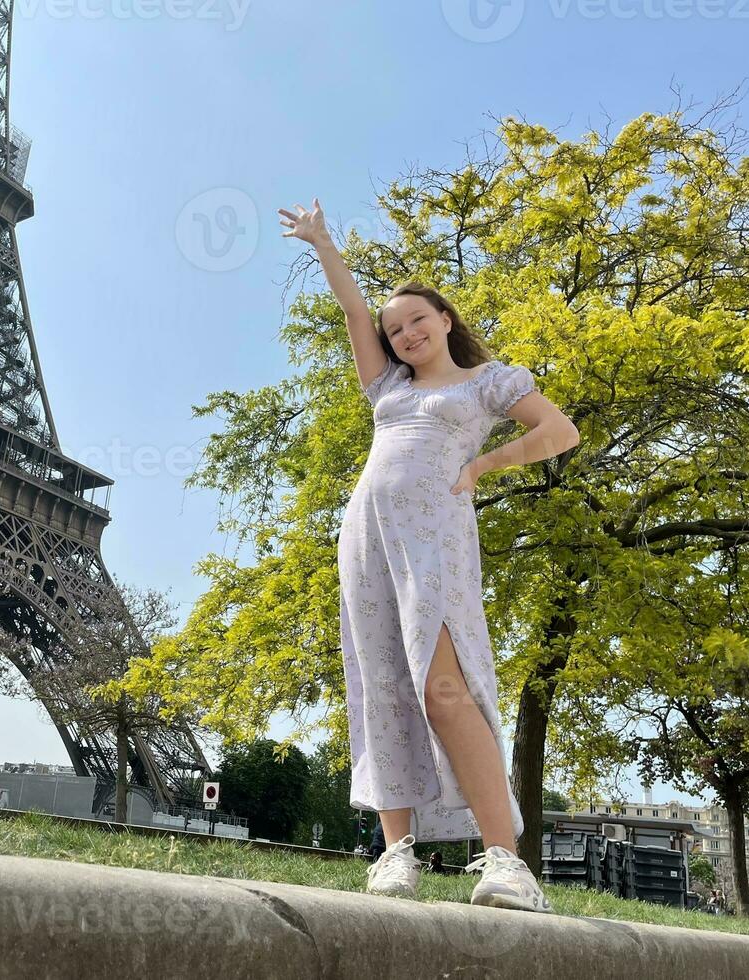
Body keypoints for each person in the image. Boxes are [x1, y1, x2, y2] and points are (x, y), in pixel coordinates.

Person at [278, 199, 579, 914]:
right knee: (380, 680)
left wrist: (484, 466)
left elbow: (558, 431)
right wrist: (323, 243)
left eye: (415, 319)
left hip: (435, 540)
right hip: (366, 535)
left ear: (444, 319)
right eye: (394, 329)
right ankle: (394, 853)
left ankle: (506, 861)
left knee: (445, 689)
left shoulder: (488, 382)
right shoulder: (388, 386)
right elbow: (354, 314)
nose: (403, 333)